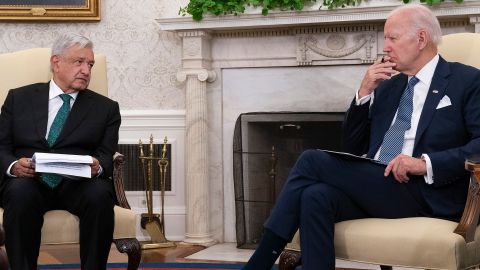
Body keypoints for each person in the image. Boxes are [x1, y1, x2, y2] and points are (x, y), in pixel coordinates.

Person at [243, 4, 480, 270]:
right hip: (379, 182)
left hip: (424, 190)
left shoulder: (467, 81)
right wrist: (364, 92)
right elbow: (353, 147)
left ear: (421, 39)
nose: (385, 47)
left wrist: (424, 164)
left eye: (393, 38)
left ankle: (259, 262)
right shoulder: (389, 86)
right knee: (315, 195)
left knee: (311, 160)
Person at [0, 33, 121, 270]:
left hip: (77, 183)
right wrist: (14, 166)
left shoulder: (106, 108)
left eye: (90, 64)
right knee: (19, 193)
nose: (86, 70)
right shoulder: (19, 98)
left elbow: (107, 155)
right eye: (79, 62)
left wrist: (99, 166)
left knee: (99, 195)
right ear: (56, 62)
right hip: (30, 179)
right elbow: (1, 146)